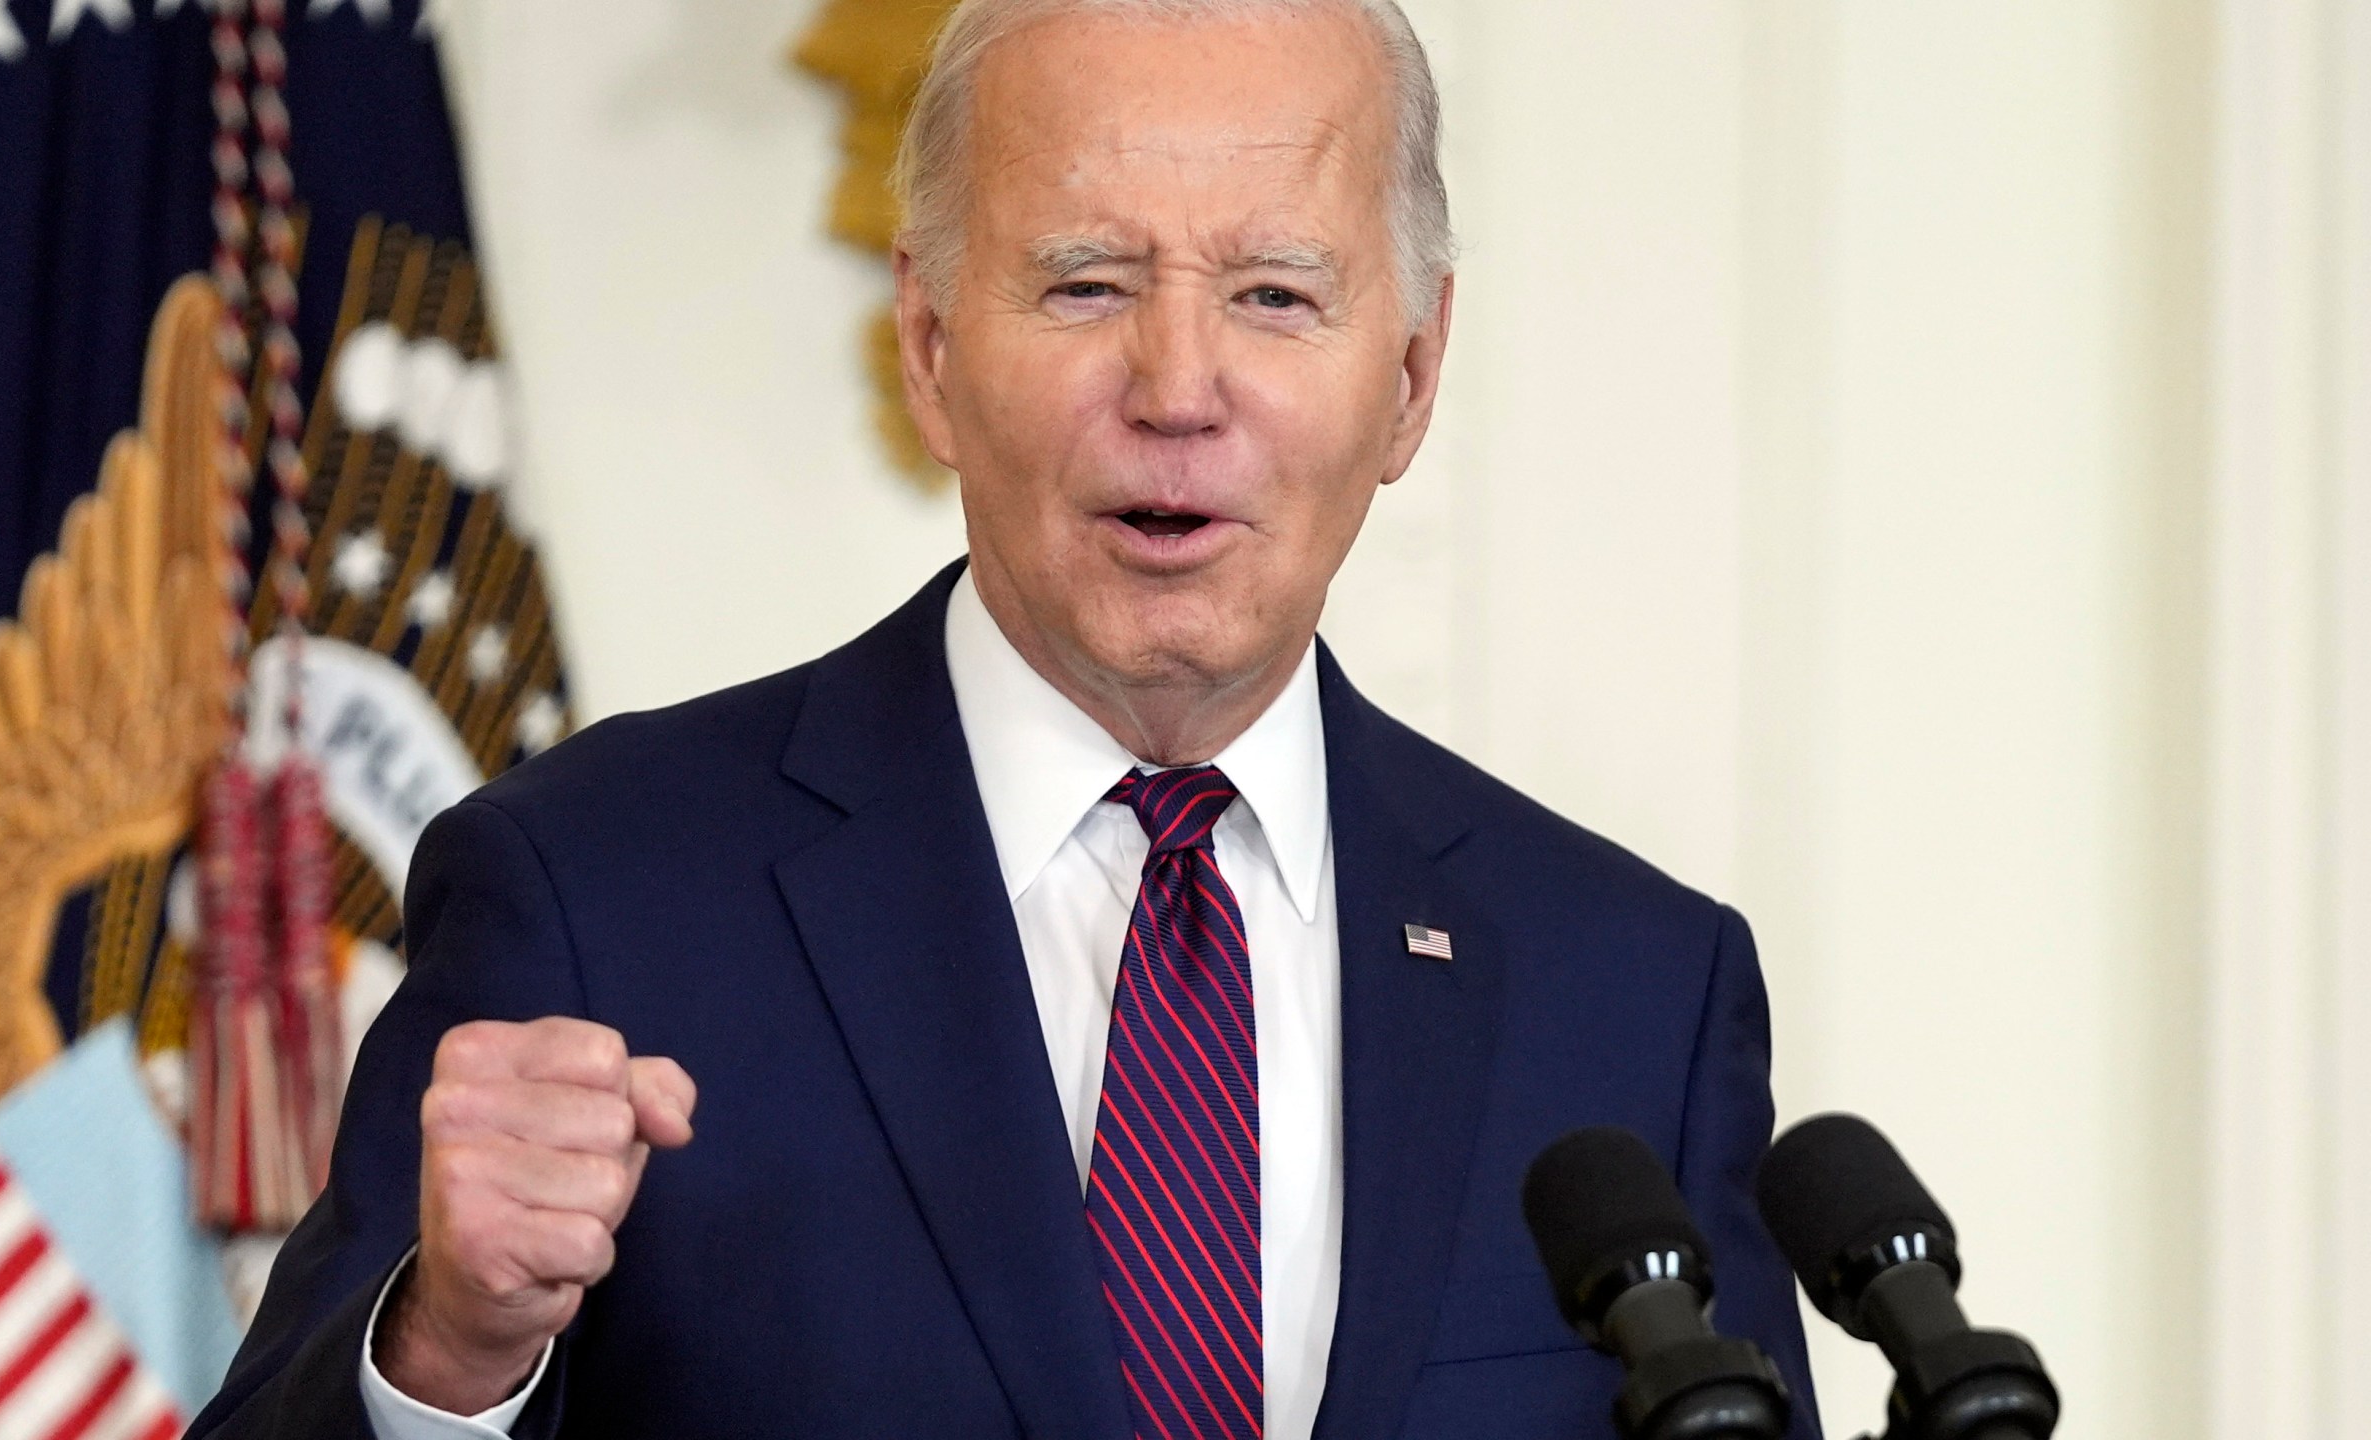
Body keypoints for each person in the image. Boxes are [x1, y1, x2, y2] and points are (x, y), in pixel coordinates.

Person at [190, 0, 1822, 1436]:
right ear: (930, 342)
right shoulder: (594, 900)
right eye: (1087, 283)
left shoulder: (1635, 994)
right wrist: (453, 1355)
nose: (1178, 386)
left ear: (1408, 377)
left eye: (1274, 295)